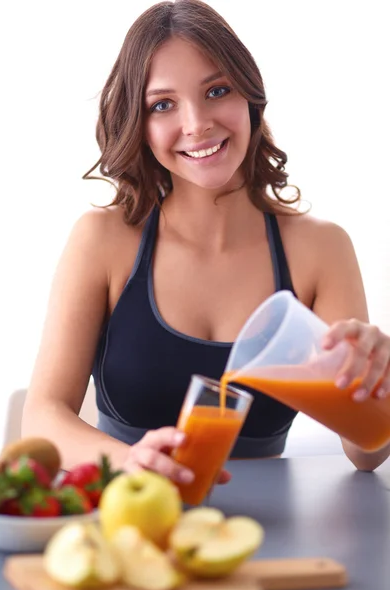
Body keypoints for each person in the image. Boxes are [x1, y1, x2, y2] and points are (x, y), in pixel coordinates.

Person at [22, 0, 390, 482]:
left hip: (270, 542)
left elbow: (364, 452)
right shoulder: (104, 240)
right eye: (163, 104)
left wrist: (379, 382)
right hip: (131, 526)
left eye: (217, 90)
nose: (197, 123)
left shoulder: (321, 249)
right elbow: (43, 418)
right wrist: (133, 462)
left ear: (251, 98)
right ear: (141, 124)